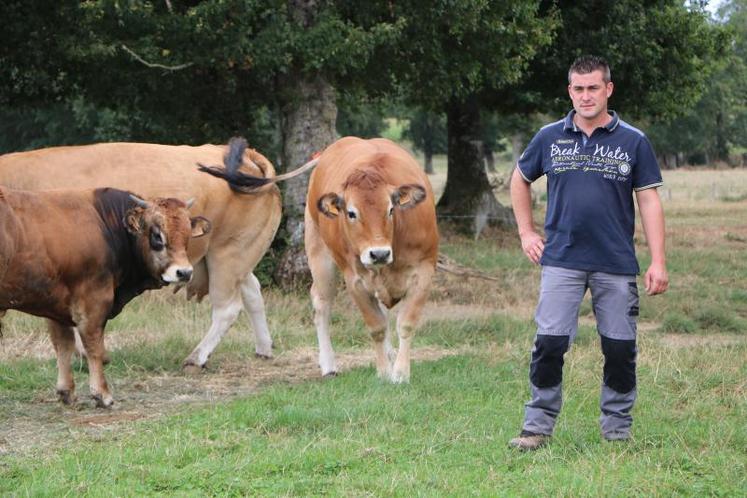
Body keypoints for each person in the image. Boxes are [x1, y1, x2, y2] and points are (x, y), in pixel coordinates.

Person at [508, 55, 669, 451]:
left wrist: (658, 260)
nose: (585, 96)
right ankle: (537, 429)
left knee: (618, 348)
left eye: (593, 87)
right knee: (549, 344)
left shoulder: (633, 140)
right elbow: (520, 179)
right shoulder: (549, 137)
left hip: (615, 263)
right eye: (578, 89)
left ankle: (616, 430)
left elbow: (648, 201)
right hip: (561, 259)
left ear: (608, 90)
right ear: (570, 91)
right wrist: (527, 231)